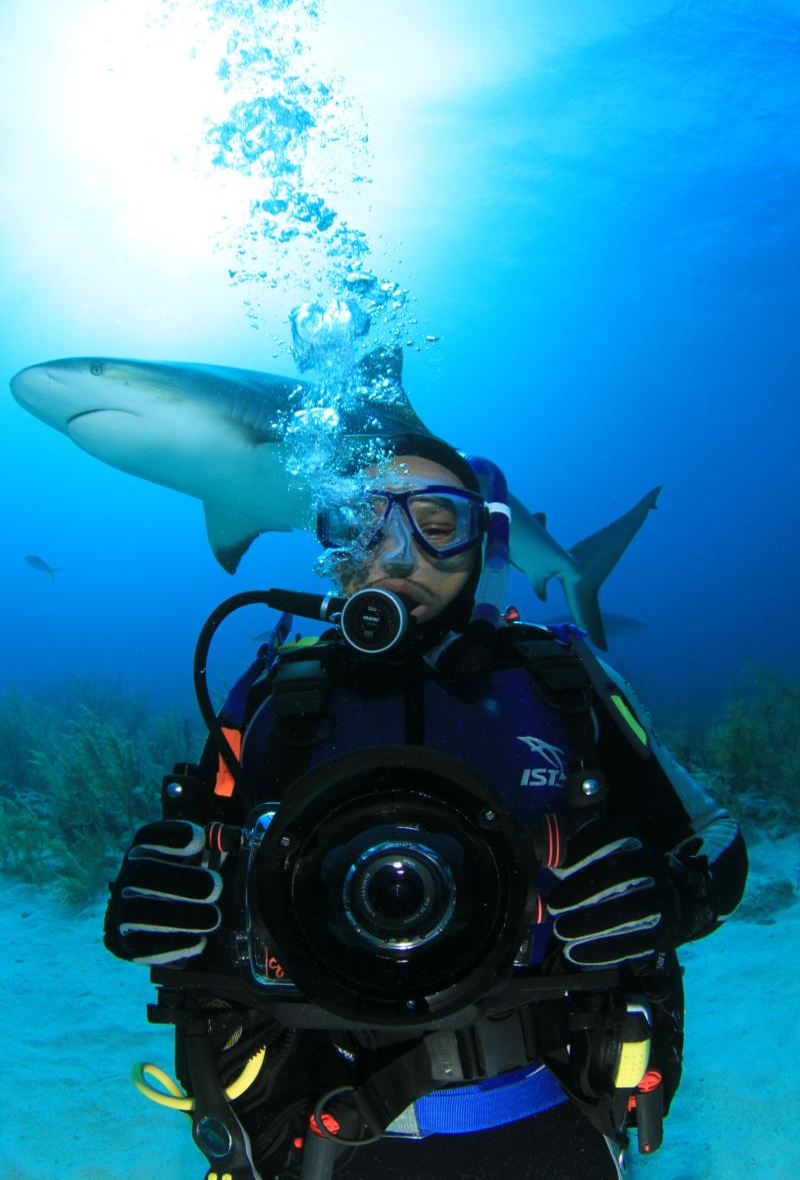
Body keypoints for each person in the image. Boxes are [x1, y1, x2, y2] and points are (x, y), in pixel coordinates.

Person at [104, 432, 748, 1180]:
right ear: (332, 545)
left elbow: (716, 841)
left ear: (485, 546)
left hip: (550, 1098)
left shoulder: (561, 681)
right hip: (312, 1109)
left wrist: (675, 896)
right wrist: (165, 904)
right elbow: (204, 852)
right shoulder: (274, 696)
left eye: (438, 527)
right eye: (361, 526)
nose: (399, 556)